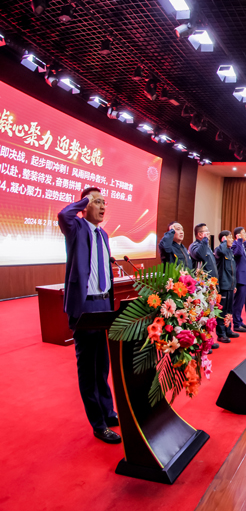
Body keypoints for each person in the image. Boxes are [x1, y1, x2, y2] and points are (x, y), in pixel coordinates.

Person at [58, 188, 121, 444]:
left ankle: (108, 411)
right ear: (85, 206)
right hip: (84, 307)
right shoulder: (76, 227)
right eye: (97, 202)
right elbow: (64, 214)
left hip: (104, 304)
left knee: (102, 365)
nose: (102, 206)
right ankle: (98, 423)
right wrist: (85, 200)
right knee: (88, 368)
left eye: (104, 202)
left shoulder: (103, 234)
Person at [215, 230, 241, 339]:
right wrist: (224, 242)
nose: (232, 240)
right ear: (223, 239)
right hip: (223, 286)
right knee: (222, 311)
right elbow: (221, 251)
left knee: (229, 310)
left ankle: (228, 329)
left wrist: (234, 285)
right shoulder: (219, 250)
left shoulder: (230, 252)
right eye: (230, 237)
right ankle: (221, 333)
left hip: (230, 285)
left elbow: (233, 270)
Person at [230, 227, 246, 331]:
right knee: (238, 302)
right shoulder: (235, 244)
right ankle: (236, 324)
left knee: (241, 301)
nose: (245, 234)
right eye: (243, 233)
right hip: (239, 277)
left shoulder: (242, 244)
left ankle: (239, 321)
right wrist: (238, 240)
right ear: (237, 235)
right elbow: (236, 254)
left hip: (244, 276)